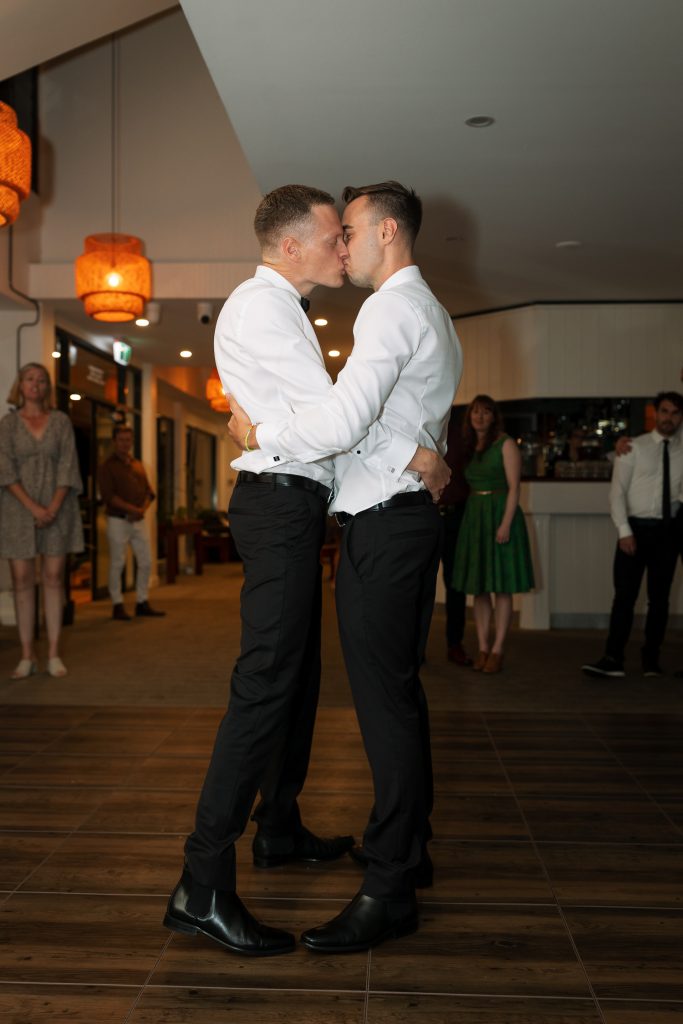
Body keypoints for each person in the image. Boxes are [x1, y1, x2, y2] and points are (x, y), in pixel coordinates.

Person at [226, 180, 461, 953]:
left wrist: (257, 425)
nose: (343, 244)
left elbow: (344, 421)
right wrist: (423, 454)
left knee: (384, 704)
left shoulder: (391, 307)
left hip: (385, 524)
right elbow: (399, 419)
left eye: (351, 230)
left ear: (386, 230)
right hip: (398, 516)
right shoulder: (426, 309)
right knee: (398, 695)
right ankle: (409, 851)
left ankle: (390, 886)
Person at [164, 185, 360, 959]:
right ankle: (200, 884)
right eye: (332, 237)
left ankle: (276, 825)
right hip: (278, 505)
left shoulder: (283, 307)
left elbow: (312, 425)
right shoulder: (261, 306)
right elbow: (332, 418)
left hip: (291, 504)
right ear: (290, 246)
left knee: (298, 675)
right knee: (264, 687)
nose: (343, 249)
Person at [582, 391, 683, 678]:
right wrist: (624, 531)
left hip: (668, 533)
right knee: (624, 598)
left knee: (660, 601)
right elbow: (617, 494)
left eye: (675, 413)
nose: (669, 418)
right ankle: (613, 658)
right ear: (655, 413)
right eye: (664, 411)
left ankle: (652, 661)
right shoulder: (632, 448)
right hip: (634, 532)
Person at [0, 362, 83, 679]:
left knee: (53, 577)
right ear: (20, 385)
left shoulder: (60, 422)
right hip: (17, 509)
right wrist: (34, 508)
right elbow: (4, 470)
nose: (36, 384)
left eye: (42, 380)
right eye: (30, 379)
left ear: (48, 387)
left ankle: (52, 653)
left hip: (57, 507)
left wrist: (52, 505)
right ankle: (26, 655)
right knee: (22, 580)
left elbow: (68, 465)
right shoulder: (8, 425)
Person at [451, 395, 535, 674]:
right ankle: (483, 647)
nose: (480, 417)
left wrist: (506, 524)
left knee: (502, 586)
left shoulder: (506, 444)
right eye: (475, 412)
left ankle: (498, 649)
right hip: (475, 516)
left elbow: (514, 487)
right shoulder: (469, 446)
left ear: (494, 416)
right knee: (480, 587)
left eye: (486, 412)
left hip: (500, 514)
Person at [98, 425, 165, 621]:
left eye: (128, 440)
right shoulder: (107, 466)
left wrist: (141, 509)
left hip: (139, 521)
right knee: (118, 563)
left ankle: (142, 602)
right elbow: (109, 497)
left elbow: (149, 492)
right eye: (121, 440)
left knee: (145, 562)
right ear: (114, 441)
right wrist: (132, 509)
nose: (125, 443)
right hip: (118, 521)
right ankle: (117, 604)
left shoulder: (137, 464)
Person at [439, 407, 472, 666]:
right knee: (418, 584)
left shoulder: (462, 431)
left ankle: (455, 644)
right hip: (424, 514)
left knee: (456, 583)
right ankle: (414, 650)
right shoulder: (419, 422)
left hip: (456, 517)